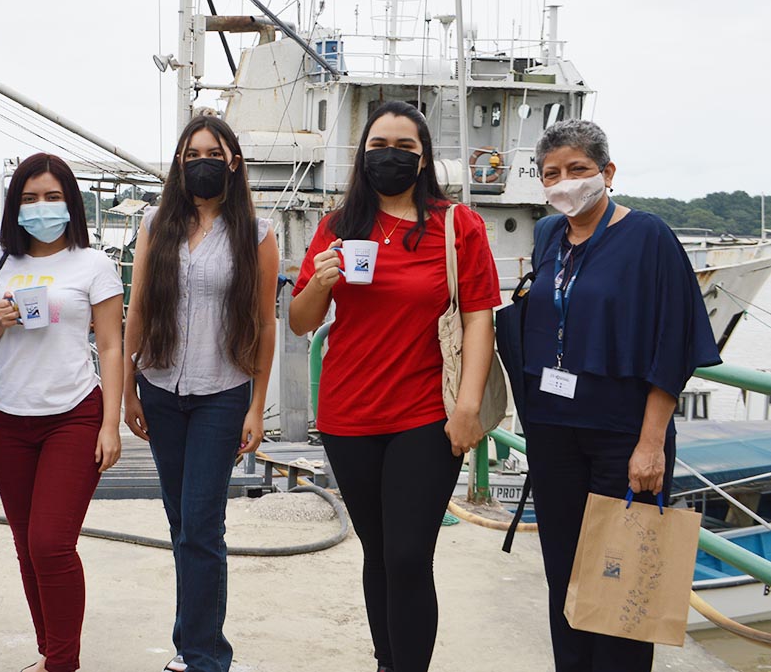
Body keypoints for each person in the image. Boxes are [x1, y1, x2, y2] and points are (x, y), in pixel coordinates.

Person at [288, 101, 500, 672]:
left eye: (405, 147)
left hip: (427, 414)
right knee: (379, 554)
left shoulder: (458, 226)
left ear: (424, 157)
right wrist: (321, 281)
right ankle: (388, 662)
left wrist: (468, 406)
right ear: (362, 155)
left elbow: (480, 316)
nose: (391, 156)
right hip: (348, 414)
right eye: (379, 144)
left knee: (408, 555)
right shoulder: (338, 227)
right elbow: (301, 320)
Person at [518, 119, 720, 672]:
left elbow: (673, 343)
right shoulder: (547, 236)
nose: (564, 182)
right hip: (554, 432)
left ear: (607, 172)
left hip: (624, 436)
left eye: (578, 170)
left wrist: (650, 443)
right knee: (566, 573)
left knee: (623, 577)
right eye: (551, 173)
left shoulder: (648, 237)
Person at [122, 115, 279, 672]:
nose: (203, 162)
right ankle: (191, 641)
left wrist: (258, 405)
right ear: (179, 163)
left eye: (214, 152)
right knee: (180, 522)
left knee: (202, 523)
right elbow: (136, 309)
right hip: (161, 387)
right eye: (192, 154)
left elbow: (264, 322)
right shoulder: (155, 224)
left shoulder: (257, 234)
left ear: (233, 161)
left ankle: (207, 656)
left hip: (222, 391)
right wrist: (127, 394)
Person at [0, 153, 124, 672]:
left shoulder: (95, 264)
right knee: (26, 544)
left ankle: (62, 664)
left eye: (52, 196)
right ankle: (49, 653)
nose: (41, 207)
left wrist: (110, 424)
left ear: (71, 203)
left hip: (74, 414)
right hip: (9, 416)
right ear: (14, 207)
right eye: (30, 198)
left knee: (51, 544)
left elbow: (113, 347)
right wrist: (2, 319)